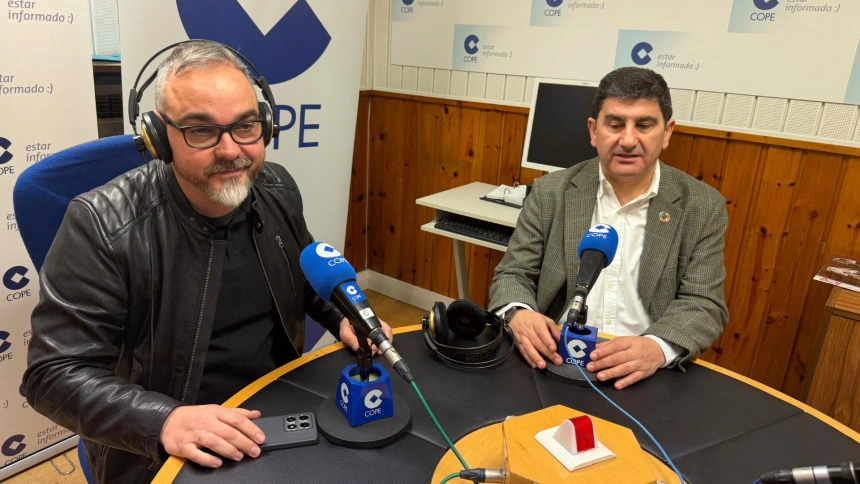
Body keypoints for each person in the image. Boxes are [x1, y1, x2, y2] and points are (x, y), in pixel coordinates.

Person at [23, 41, 391, 483]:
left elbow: (307, 276)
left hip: (278, 405)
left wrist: (344, 316)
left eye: (246, 126)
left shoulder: (277, 189)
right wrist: (164, 420)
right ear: (159, 137)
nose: (231, 150)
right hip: (168, 443)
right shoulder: (101, 224)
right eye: (201, 130)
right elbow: (51, 375)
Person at [489, 67, 728, 390]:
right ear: (593, 130)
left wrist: (657, 347)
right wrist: (518, 313)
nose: (628, 140)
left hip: (644, 372)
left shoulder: (702, 206)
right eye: (615, 125)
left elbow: (704, 304)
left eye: (644, 125)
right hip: (553, 360)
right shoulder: (550, 192)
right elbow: (513, 274)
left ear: (667, 132)